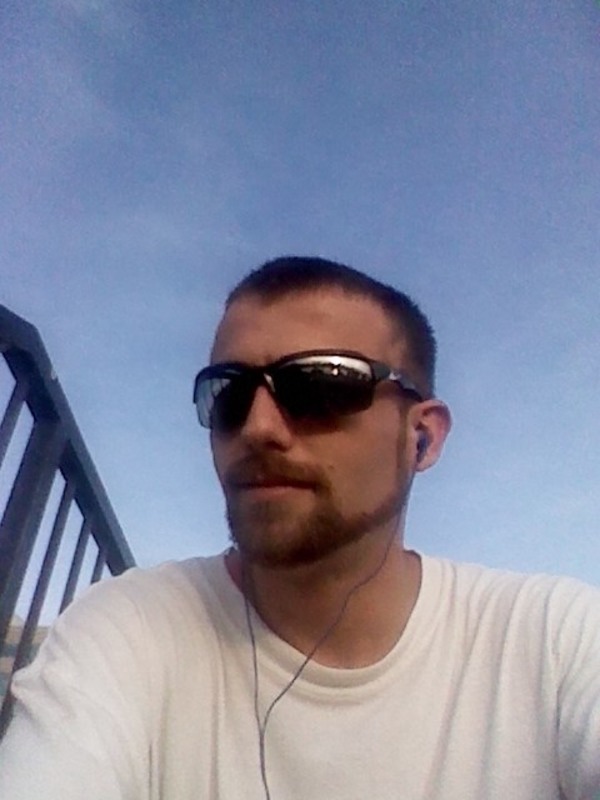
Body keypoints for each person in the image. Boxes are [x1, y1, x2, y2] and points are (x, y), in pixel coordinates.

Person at [0, 256, 599, 800]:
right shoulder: (130, 628)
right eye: (229, 394)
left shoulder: (554, 642)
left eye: (321, 384)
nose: (258, 427)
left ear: (422, 437)